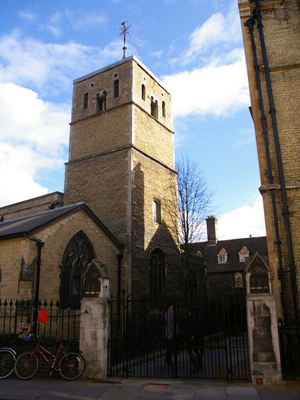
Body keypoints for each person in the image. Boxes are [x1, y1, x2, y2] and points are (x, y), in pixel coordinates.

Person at [187, 307, 204, 373]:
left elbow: (194, 326)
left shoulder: (192, 317)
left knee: (191, 351)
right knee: (196, 351)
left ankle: (196, 366)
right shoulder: (197, 316)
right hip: (198, 337)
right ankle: (200, 365)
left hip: (193, 337)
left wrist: (193, 335)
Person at [165, 303, 177, 367]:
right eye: (172, 306)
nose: (173, 307)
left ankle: (169, 359)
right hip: (170, 333)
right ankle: (168, 360)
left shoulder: (172, 313)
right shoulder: (167, 314)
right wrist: (174, 329)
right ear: (169, 307)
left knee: (171, 347)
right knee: (170, 347)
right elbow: (170, 323)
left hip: (172, 332)